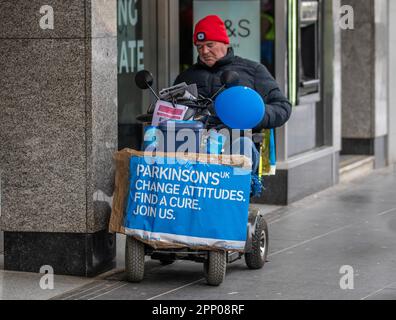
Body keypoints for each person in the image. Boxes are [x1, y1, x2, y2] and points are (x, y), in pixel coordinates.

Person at [174, 15, 292, 173]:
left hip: (237, 144)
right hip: (194, 146)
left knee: (244, 146)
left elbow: (283, 107)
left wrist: (253, 116)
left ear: (225, 42)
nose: (204, 51)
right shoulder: (186, 77)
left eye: (210, 45)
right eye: (199, 46)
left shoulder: (253, 71)